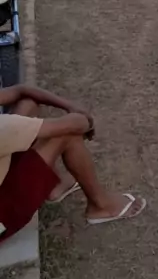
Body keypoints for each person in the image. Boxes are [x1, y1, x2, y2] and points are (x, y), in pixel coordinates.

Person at [0, 83, 145, 243]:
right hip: (3, 217)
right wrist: (85, 120)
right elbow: (76, 125)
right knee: (67, 135)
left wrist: (70, 106)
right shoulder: (5, 127)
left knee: (28, 104)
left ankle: (55, 186)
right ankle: (101, 205)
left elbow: (22, 91)